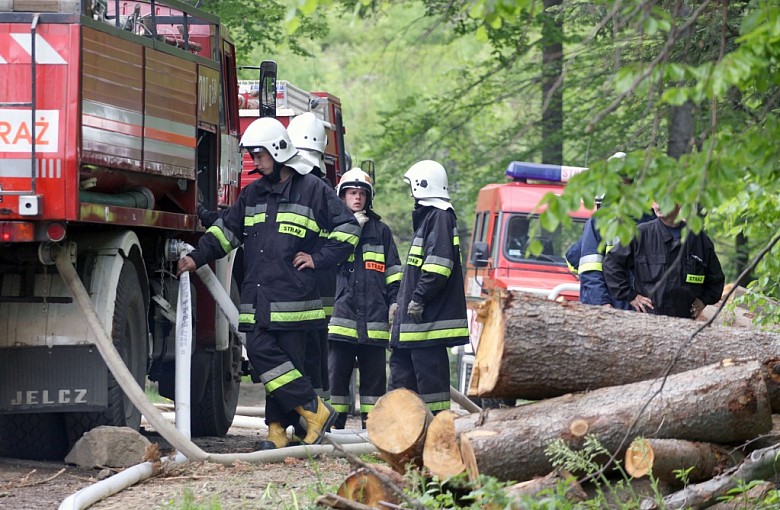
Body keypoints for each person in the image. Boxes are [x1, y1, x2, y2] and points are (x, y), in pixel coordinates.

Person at [177, 117, 361, 449]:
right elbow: (226, 232)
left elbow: (348, 229)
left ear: (278, 152)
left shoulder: (313, 189)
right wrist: (197, 258)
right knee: (271, 362)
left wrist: (318, 258)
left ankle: (279, 431)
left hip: (293, 300)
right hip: (258, 296)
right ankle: (312, 412)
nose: (255, 162)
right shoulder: (253, 193)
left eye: (259, 155)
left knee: (284, 365)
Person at [388, 160, 469, 413]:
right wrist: (400, 305)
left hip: (428, 324)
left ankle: (437, 432)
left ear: (422, 185)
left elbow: (439, 265)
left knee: (431, 388)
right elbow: (416, 269)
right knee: (401, 384)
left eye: (411, 186)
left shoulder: (440, 217)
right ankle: (397, 436)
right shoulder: (427, 218)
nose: (410, 191)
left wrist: (419, 298)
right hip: (412, 326)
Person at [328, 168, 402, 428]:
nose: (357, 198)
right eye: (352, 193)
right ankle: (334, 424)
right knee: (336, 377)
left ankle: (373, 428)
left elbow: (393, 272)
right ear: (342, 196)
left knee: (374, 379)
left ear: (368, 198)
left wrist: (394, 303)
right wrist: (351, 231)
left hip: (374, 321)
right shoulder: (333, 227)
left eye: (361, 193)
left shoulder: (381, 232)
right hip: (343, 318)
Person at [603, 202, 725, 318]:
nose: (658, 205)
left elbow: (716, 279)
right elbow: (611, 263)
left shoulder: (698, 239)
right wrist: (631, 296)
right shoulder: (641, 234)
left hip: (685, 321)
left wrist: (703, 300)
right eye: (656, 200)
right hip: (648, 319)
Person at [574, 152, 655, 308]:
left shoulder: (652, 221)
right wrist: (602, 303)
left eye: (626, 182)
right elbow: (591, 270)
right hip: (612, 305)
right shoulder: (599, 221)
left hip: (646, 310)